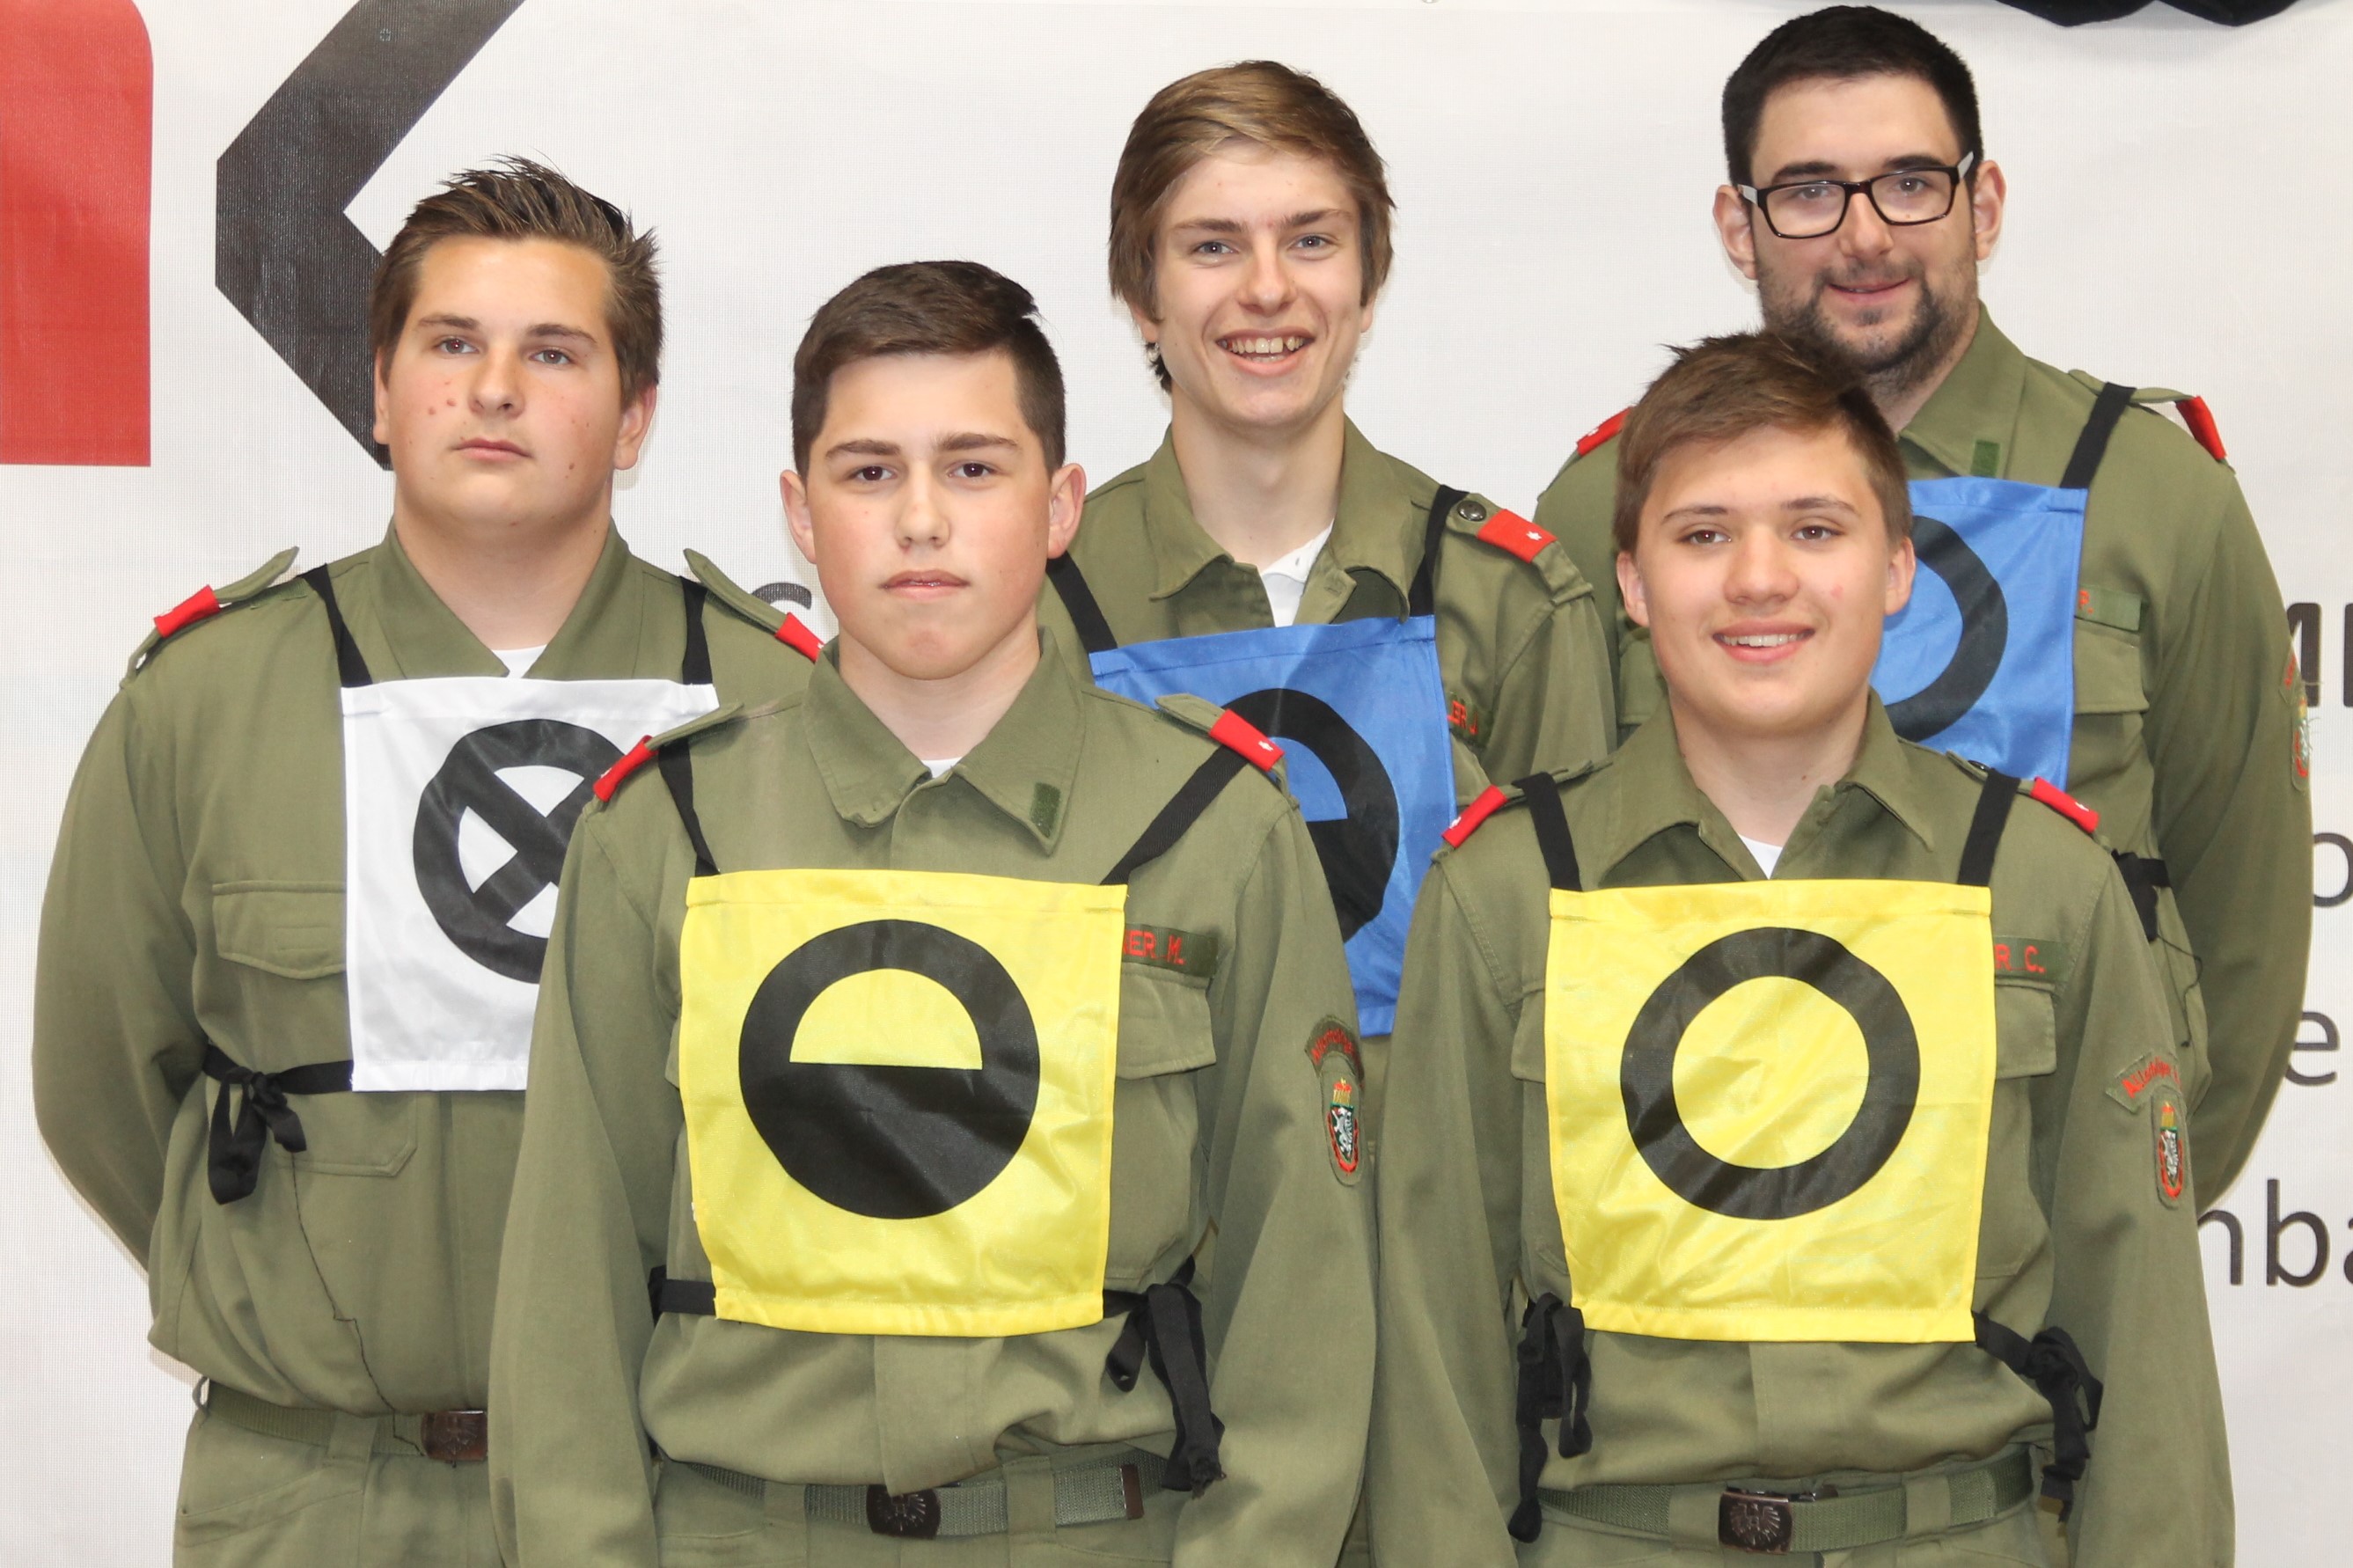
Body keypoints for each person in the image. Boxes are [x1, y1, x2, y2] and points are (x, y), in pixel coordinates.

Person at [489, 260, 1373, 1564]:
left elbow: (1302, 1301)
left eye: (972, 468)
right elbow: (567, 1292)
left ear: (1059, 505)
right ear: (799, 513)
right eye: (867, 472)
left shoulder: (1212, 829)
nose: (918, 520)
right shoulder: (666, 834)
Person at [32, 159, 810, 1564]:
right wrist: (295, 1288)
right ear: (381, 391)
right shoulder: (206, 704)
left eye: (553, 352)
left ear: (634, 414)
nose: (493, 389)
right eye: (451, 344)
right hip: (316, 1493)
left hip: (688, 1494)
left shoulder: (778, 708)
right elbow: (102, 1083)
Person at [1370, 332, 2226, 1565]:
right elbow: (1435, 1364)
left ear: (1897, 568)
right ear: (1631, 582)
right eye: (1702, 534)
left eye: (1814, 529)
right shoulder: (1506, 898)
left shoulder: (2041, 887)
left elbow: (2144, 1353)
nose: (1759, 579)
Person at [1534, 4, 2307, 1198]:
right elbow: (1555, 889)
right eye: (1807, 192)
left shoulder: (2152, 496)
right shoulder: (1613, 502)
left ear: (1981, 205)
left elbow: (2244, 920)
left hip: (2046, 1212)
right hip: (1695, 1207)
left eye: (1908, 183)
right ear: (1738, 226)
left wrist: (2130, 1223)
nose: (1863, 237)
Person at [1039, 60, 1614, 1100]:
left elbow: (1581, 997)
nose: (1268, 288)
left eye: (1311, 240)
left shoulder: (1510, 600)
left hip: (1441, 1197)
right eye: (1213, 246)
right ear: (1141, 297)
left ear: (1368, 281)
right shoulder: (1042, 606)